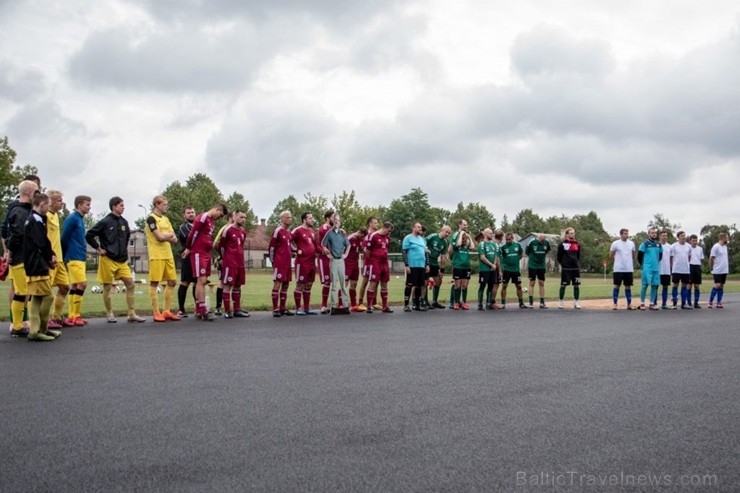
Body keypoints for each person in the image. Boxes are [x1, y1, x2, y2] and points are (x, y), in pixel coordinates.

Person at [86, 196, 146, 323]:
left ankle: (131, 314)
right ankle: (109, 313)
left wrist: (124, 250)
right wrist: (98, 248)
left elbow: (127, 237)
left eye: (123, 205)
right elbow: (89, 235)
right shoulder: (105, 222)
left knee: (130, 284)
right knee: (108, 287)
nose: (124, 208)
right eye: (121, 205)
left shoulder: (124, 222)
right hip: (108, 259)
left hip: (122, 260)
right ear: (114, 206)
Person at [23, 193, 63, 341]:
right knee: (48, 296)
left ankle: (37, 330)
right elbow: (41, 243)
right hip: (37, 264)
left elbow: (44, 241)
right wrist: (50, 257)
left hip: (35, 263)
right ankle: (40, 329)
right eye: (47, 205)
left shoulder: (37, 219)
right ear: (42, 205)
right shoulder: (35, 220)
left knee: (37, 298)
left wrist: (50, 253)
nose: (49, 208)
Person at [5, 180, 38, 337]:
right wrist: (10, 253)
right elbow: (15, 235)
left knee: (26, 291)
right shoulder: (19, 211)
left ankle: (25, 322)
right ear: (28, 192)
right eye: (36, 192)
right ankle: (17, 325)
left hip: (27, 257)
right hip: (20, 258)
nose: (37, 195)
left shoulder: (27, 210)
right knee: (21, 292)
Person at [185, 203, 228, 321]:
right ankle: (203, 310)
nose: (220, 217)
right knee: (202, 280)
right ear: (217, 209)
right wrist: (189, 247)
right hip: (198, 252)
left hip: (206, 253)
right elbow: (193, 233)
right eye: (220, 215)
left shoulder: (211, 222)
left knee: (201, 281)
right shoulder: (203, 217)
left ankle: (199, 309)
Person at [144, 195, 181, 323]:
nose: (166, 206)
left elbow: (175, 239)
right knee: (155, 282)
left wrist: (167, 236)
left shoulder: (166, 219)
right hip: (156, 255)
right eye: (164, 204)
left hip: (168, 254)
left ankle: (166, 311)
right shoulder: (151, 219)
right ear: (157, 204)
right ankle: (156, 312)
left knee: (172, 282)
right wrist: (168, 236)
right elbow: (159, 237)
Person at [61, 195, 91, 326]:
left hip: (79, 256)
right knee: (82, 284)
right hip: (74, 256)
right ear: (79, 205)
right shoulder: (72, 218)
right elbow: (64, 237)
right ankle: (76, 314)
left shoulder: (80, 219)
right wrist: (65, 254)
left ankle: (72, 315)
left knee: (74, 285)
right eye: (87, 204)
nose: (89, 207)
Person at [215, 209, 250, 318]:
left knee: (237, 286)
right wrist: (224, 258)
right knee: (227, 285)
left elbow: (241, 246)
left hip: (240, 263)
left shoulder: (243, 232)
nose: (243, 219)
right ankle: (227, 311)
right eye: (241, 217)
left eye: (244, 218)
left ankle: (237, 310)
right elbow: (221, 246)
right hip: (230, 263)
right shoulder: (227, 230)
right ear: (234, 217)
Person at [45, 190, 70, 328]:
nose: (62, 203)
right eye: (59, 200)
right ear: (51, 202)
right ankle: (45, 318)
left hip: (59, 259)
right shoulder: (45, 217)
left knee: (65, 287)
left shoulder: (55, 216)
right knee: (46, 291)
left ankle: (57, 316)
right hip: (50, 259)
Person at [321, 212, 351, 314]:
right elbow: (323, 245)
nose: (336, 222)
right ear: (332, 221)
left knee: (343, 284)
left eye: (338, 220)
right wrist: (328, 254)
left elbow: (348, 245)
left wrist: (346, 254)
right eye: (335, 220)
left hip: (341, 260)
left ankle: (346, 306)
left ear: (340, 221)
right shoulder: (329, 233)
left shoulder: (343, 234)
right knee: (334, 284)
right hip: (333, 260)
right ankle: (333, 306)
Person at [291, 211, 320, 315]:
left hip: (312, 262)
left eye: (312, 218)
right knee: (300, 285)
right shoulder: (297, 230)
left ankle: (307, 308)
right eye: (310, 218)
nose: (312, 220)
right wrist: (295, 250)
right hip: (302, 262)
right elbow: (288, 241)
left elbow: (316, 247)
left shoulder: (312, 231)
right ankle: (298, 308)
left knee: (309, 285)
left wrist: (325, 251)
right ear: (304, 219)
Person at [269, 211, 294, 317]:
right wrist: (273, 262)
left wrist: (296, 250)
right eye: (288, 217)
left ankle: (283, 308)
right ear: (282, 219)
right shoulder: (277, 231)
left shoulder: (289, 232)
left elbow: (290, 246)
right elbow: (271, 248)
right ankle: (275, 309)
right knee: (277, 284)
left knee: (286, 284)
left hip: (288, 263)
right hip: (279, 263)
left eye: (291, 217)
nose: (290, 219)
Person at [365, 221, 394, 313]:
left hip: (384, 263)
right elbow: (367, 250)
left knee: (384, 284)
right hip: (375, 262)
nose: (389, 233)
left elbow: (386, 248)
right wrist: (372, 261)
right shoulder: (374, 236)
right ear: (384, 228)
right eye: (388, 231)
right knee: (373, 283)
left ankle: (385, 306)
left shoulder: (387, 237)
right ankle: (369, 306)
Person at [401, 221, 429, 312]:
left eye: (420, 227)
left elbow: (426, 252)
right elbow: (404, 252)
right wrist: (406, 265)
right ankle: (406, 305)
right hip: (412, 265)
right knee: (409, 285)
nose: (420, 228)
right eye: (418, 227)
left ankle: (417, 304)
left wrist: (427, 264)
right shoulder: (408, 238)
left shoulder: (422, 239)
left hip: (421, 265)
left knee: (419, 285)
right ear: (413, 228)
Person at [448, 219, 476, 310]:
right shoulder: (456, 235)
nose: (466, 226)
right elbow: (458, 244)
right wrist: (460, 234)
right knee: (457, 285)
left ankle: (464, 302)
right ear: (459, 225)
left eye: (466, 225)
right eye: (464, 225)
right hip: (458, 264)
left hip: (466, 265)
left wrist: (469, 237)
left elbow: (472, 247)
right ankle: (456, 302)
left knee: (464, 285)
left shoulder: (467, 236)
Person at [212, 212, 235, 316]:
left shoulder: (235, 229)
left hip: (234, 262)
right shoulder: (225, 229)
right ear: (231, 217)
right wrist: (222, 257)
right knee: (223, 283)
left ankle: (235, 307)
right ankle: (218, 307)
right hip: (225, 261)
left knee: (233, 284)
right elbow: (215, 244)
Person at [176, 206, 197, 317]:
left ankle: (197, 307)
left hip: (198, 257)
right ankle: (181, 309)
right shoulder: (183, 227)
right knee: (185, 282)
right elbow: (192, 238)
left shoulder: (198, 225)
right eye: (188, 213)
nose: (191, 214)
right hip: (187, 257)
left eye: (192, 212)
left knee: (197, 282)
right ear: (184, 215)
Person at [356, 216, 380, 311]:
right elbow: (365, 249)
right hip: (368, 262)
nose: (377, 224)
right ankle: (360, 302)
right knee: (365, 282)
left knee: (376, 282)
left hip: (376, 263)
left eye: (377, 223)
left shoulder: (378, 235)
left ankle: (374, 302)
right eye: (375, 223)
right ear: (370, 224)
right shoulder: (367, 235)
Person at [609, 228, 636, 310]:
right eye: (625, 233)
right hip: (618, 269)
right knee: (617, 285)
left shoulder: (631, 243)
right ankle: (615, 304)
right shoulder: (615, 243)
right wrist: (617, 262)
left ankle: (629, 304)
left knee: (628, 286)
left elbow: (633, 255)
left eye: (627, 233)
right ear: (621, 234)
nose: (626, 235)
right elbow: (611, 255)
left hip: (628, 269)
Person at [425, 225, 451, 309]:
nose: (447, 234)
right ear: (442, 230)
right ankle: (425, 301)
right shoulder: (433, 236)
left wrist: (442, 269)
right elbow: (423, 244)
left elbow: (443, 256)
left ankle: (435, 301)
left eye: (449, 233)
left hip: (435, 263)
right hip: (427, 262)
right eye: (446, 232)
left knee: (438, 281)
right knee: (425, 282)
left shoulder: (445, 242)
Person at [500, 232, 527, 309]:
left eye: (509, 239)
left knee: (518, 286)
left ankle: (521, 303)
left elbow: (521, 255)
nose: (508, 241)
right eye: (506, 240)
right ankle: (503, 303)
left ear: (512, 238)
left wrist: (515, 261)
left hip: (516, 270)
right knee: (504, 286)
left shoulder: (517, 245)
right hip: (507, 269)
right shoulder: (503, 247)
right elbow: (502, 257)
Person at [637, 227, 662, 310]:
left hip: (656, 268)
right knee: (645, 285)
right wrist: (644, 265)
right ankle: (642, 303)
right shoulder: (644, 244)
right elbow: (639, 256)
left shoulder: (659, 244)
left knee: (655, 286)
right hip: (647, 268)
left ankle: (652, 303)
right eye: (652, 233)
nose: (654, 234)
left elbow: (660, 256)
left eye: (655, 233)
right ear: (649, 234)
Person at [557, 227, 582, 309]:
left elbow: (578, 256)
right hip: (566, 268)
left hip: (575, 268)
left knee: (576, 285)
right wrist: (563, 264)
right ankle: (561, 302)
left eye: (573, 233)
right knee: (563, 285)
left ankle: (576, 302)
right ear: (567, 234)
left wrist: (576, 263)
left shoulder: (577, 244)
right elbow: (559, 257)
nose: (573, 234)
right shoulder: (562, 244)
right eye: (571, 233)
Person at [345, 227, 367, 312]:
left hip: (355, 264)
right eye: (361, 236)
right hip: (347, 264)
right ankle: (340, 304)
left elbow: (361, 248)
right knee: (345, 284)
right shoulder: (349, 239)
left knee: (354, 284)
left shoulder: (360, 240)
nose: (362, 238)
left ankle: (353, 305)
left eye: (363, 237)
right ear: (358, 232)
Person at [526, 233, 551, 308]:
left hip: (541, 266)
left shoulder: (547, 242)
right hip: (532, 265)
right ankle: (531, 303)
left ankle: (542, 303)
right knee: (532, 283)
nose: (541, 242)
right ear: (538, 238)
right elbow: (527, 252)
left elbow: (547, 250)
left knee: (542, 283)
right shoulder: (532, 242)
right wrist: (533, 258)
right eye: (540, 240)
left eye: (543, 241)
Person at [477, 228, 500, 310]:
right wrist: (491, 265)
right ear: (486, 234)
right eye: (490, 233)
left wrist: (494, 265)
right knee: (482, 286)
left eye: (492, 233)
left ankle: (488, 303)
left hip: (492, 270)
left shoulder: (494, 245)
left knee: (491, 286)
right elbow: (482, 257)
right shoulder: (482, 244)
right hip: (484, 269)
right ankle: (480, 304)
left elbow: (496, 256)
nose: (492, 234)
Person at [317, 209, 334, 313]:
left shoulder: (332, 229)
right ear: (328, 218)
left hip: (332, 258)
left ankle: (330, 305)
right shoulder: (324, 228)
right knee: (327, 281)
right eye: (333, 217)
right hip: (324, 258)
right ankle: (323, 306)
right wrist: (323, 249)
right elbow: (320, 244)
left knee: (331, 282)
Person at [670, 231, 692, 309]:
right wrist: (672, 267)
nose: (684, 237)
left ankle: (683, 303)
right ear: (678, 237)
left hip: (685, 269)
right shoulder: (673, 246)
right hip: (676, 269)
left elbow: (689, 257)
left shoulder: (689, 246)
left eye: (684, 236)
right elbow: (671, 258)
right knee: (675, 285)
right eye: (682, 236)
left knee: (684, 286)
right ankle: (674, 303)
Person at [708, 232, 729, 309]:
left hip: (724, 270)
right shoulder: (716, 247)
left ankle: (718, 302)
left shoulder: (725, 247)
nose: (727, 239)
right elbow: (711, 258)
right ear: (722, 238)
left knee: (721, 286)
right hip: (717, 269)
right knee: (717, 285)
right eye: (726, 237)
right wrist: (711, 267)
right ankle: (710, 302)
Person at [658, 230, 673, 309]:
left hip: (666, 270)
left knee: (665, 287)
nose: (665, 237)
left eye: (666, 236)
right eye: (663, 235)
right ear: (660, 236)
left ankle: (664, 304)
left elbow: (671, 259)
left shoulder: (670, 246)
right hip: (658, 270)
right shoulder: (656, 245)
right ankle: (653, 303)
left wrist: (670, 268)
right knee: (655, 286)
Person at [688, 234, 704, 308]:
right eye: (693, 241)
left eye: (696, 240)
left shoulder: (700, 249)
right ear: (690, 241)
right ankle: (688, 302)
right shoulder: (688, 248)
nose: (695, 242)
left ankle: (696, 302)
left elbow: (701, 259)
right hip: (690, 266)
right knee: (689, 285)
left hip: (697, 266)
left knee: (697, 286)